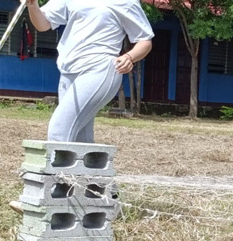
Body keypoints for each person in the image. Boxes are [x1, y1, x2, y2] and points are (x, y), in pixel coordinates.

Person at [24, 0, 154, 143]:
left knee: (59, 129)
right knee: (80, 138)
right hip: (67, 70)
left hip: (100, 68)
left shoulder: (125, 2)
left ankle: (55, 164)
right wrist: (32, 5)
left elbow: (145, 40)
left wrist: (129, 57)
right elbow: (43, 24)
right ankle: (85, 165)